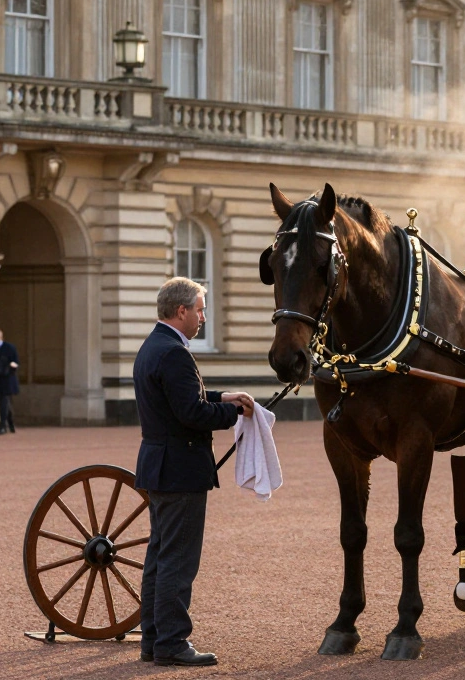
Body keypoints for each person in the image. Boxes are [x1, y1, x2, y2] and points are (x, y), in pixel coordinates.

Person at [133, 278, 254, 667]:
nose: (203, 317)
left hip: (158, 464)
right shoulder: (174, 353)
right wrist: (234, 412)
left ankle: (153, 640)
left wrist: (223, 396)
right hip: (180, 468)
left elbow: (183, 399)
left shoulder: (153, 346)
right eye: (200, 309)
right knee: (178, 561)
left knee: (159, 558)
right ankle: (171, 642)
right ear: (181, 311)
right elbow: (191, 413)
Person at [0, 328, 18, 434]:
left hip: (5, 379)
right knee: (5, 404)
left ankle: (3, 425)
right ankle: (9, 422)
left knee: (4, 402)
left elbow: (15, 362)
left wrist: (7, 369)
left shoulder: (9, 348)